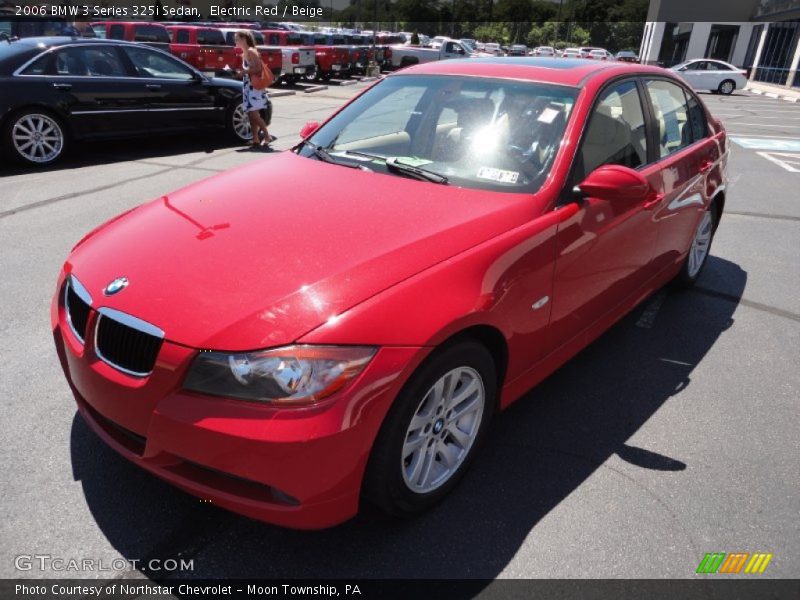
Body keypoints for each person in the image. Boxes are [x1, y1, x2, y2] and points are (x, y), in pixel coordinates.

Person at [234, 31, 274, 147]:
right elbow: (251, 69)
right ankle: (255, 138)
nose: (236, 42)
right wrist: (241, 73)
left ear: (244, 39)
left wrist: (244, 72)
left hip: (254, 86)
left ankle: (267, 135)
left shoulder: (251, 51)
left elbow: (258, 68)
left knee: (253, 113)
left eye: (237, 39)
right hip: (248, 85)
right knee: (251, 114)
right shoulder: (244, 53)